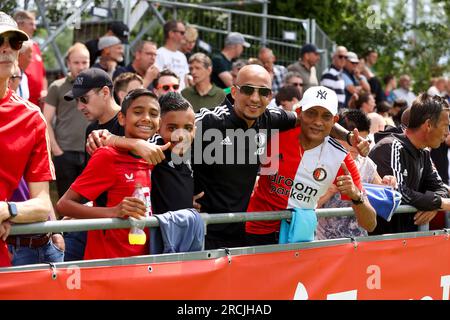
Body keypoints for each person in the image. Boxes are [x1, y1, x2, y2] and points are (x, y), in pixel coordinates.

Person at [193, 65, 370, 249]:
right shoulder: (210, 121)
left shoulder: (271, 120)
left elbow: (316, 121)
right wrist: (183, 200)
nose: (255, 98)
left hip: (243, 235)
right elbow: (170, 137)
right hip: (205, 231)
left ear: (270, 97)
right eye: (247, 90)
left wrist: (349, 137)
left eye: (263, 92)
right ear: (235, 92)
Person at [245, 87, 376, 245]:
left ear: (334, 120)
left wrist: (356, 196)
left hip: (299, 241)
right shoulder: (275, 136)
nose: (318, 122)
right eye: (311, 113)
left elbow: (370, 223)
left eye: (326, 116)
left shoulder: (341, 158)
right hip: (255, 233)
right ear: (299, 113)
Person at [56, 89, 160, 260]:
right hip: (108, 263)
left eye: (153, 113)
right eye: (138, 112)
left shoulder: (155, 156)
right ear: (121, 118)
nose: (146, 118)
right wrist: (113, 212)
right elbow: (64, 205)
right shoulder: (107, 156)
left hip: (146, 262)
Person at [0, 11, 56, 267]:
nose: (7, 49)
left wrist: (7, 210)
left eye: (14, 42)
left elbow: (43, 203)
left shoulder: (32, 117)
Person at [369, 93, 450, 234]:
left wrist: (434, 206)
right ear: (428, 125)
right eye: (446, 126)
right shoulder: (389, 147)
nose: (447, 133)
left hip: (407, 244)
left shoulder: (423, 153)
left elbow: (440, 188)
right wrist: (439, 203)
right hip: (380, 245)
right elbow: (398, 193)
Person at [317, 109, 395, 239]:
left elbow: (380, 190)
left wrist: (389, 181)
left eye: (363, 142)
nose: (358, 147)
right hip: (323, 243)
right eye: (353, 141)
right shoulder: (318, 160)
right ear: (337, 135)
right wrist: (330, 191)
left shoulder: (366, 163)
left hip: (357, 243)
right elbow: (301, 209)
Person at [43, 42, 91, 198]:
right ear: (68, 63)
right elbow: (45, 121)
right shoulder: (57, 87)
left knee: (90, 201)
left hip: (91, 152)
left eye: (84, 62)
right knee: (66, 201)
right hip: (65, 153)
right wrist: (57, 151)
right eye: (76, 62)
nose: (81, 66)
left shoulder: (97, 87)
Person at [151, 92, 197, 215]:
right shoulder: (154, 149)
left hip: (184, 231)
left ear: (195, 130)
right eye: (172, 128)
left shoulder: (194, 156)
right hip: (157, 232)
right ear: (158, 127)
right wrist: (112, 138)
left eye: (188, 128)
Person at [13, 10, 46, 108]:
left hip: (37, 104)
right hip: (19, 103)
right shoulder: (10, 47)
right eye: (31, 24)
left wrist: (44, 90)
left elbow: (43, 74)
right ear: (20, 24)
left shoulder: (35, 46)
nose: (34, 28)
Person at [155, 20, 189, 90]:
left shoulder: (182, 56)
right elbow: (156, 79)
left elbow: (185, 80)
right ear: (171, 33)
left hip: (181, 98)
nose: (185, 36)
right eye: (182, 33)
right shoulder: (159, 54)